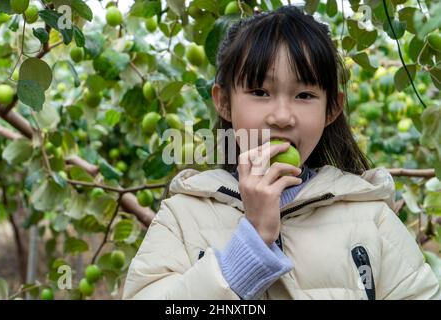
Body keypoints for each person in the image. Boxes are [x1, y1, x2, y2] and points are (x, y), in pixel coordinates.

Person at [123, 5, 440, 300]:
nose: (282, 116)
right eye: (260, 92)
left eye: (304, 95)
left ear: (332, 109)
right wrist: (253, 240)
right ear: (223, 102)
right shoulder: (182, 216)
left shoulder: (371, 218)